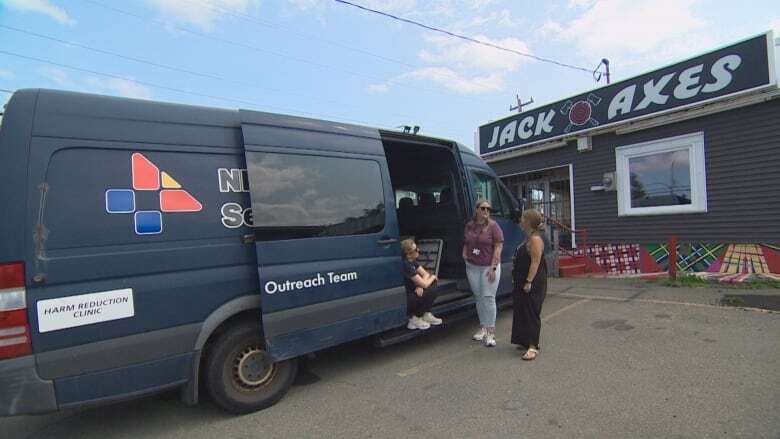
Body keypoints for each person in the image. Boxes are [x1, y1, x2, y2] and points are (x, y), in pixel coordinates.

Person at [463, 199, 504, 347]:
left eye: (488, 209)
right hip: (473, 266)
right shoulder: (469, 225)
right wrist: (465, 254)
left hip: (488, 267)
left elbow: (498, 248)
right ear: (476, 209)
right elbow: (466, 242)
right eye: (483, 208)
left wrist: (493, 268)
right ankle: (483, 328)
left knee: (488, 297)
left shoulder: (494, 227)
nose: (486, 211)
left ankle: (491, 332)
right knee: (479, 297)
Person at [510, 209, 548, 360]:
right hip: (522, 280)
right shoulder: (529, 237)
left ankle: (533, 346)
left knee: (531, 312)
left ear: (528, 222)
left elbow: (536, 262)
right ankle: (524, 340)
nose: (520, 221)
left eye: (522, 219)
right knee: (522, 309)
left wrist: (529, 281)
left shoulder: (536, 240)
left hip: (533, 282)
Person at [401, 238, 443, 330]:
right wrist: (432, 277)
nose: (418, 250)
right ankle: (414, 319)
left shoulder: (413, 262)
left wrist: (420, 285)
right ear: (408, 254)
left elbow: (425, 274)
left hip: (415, 291)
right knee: (431, 284)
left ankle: (425, 313)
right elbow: (426, 282)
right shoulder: (406, 265)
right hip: (408, 296)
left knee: (431, 285)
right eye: (416, 250)